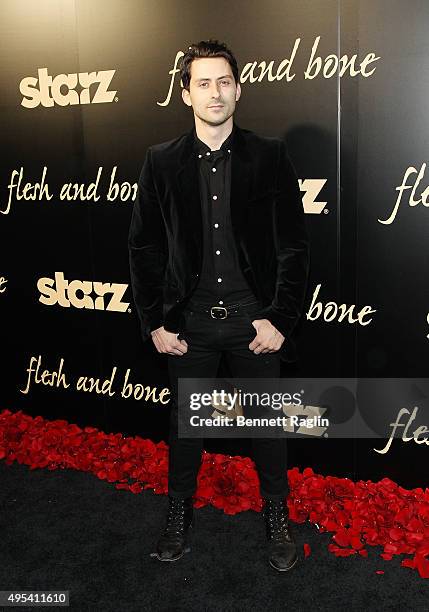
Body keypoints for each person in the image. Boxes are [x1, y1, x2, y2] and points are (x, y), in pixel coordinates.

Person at [128, 39, 309, 572]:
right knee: (186, 429)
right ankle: (178, 517)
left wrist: (279, 318)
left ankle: (277, 518)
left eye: (224, 81)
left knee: (268, 430)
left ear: (238, 89)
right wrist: (156, 322)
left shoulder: (270, 155)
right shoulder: (160, 162)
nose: (215, 92)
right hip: (190, 326)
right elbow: (144, 248)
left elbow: (293, 245)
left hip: (256, 323)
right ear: (186, 94)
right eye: (202, 83)